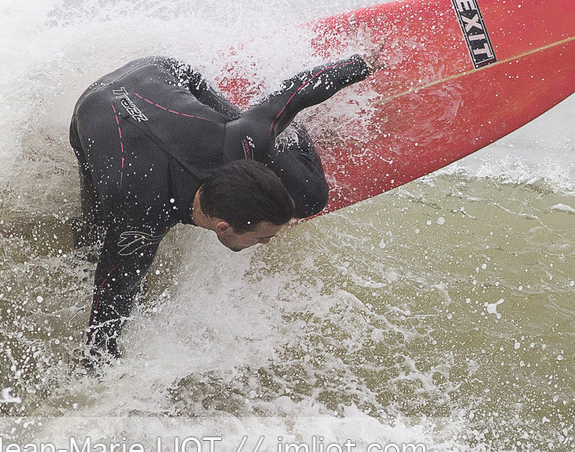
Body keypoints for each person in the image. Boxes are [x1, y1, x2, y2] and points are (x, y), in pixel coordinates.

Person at [68, 52, 374, 358]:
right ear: (222, 228)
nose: (267, 242)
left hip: (160, 75)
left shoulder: (241, 140)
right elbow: (109, 298)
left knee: (310, 198)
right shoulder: (142, 215)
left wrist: (361, 64)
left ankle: (291, 133)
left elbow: (295, 92)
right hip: (95, 105)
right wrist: (100, 360)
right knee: (106, 251)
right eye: (263, 236)